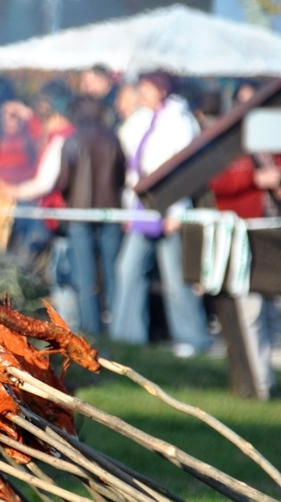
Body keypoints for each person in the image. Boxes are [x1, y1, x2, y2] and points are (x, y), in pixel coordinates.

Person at [111, 71, 209, 357]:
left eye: (147, 87)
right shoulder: (140, 119)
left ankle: (192, 339)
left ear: (162, 89)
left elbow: (186, 169)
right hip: (142, 209)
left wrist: (177, 210)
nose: (142, 92)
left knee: (176, 278)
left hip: (169, 210)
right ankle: (126, 336)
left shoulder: (180, 120)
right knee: (127, 271)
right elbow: (131, 162)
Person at [207, 81, 279, 400]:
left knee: (272, 311)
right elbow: (218, 181)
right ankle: (260, 384)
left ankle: (269, 379)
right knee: (249, 310)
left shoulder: (271, 139)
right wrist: (255, 178)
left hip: (270, 232)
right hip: (241, 235)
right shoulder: (227, 142)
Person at [56, 96, 125, 335]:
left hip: (79, 212)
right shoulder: (113, 139)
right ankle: (118, 327)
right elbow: (121, 177)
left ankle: (91, 327)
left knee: (84, 273)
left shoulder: (72, 140)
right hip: (111, 211)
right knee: (112, 272)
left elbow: (63, 181)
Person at [0, 80, 75, 269]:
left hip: (53, 213)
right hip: (49, 212)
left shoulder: (61, 140)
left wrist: (12, 191)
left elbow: (43, 183)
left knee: (29, 264)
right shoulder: (61, 137)